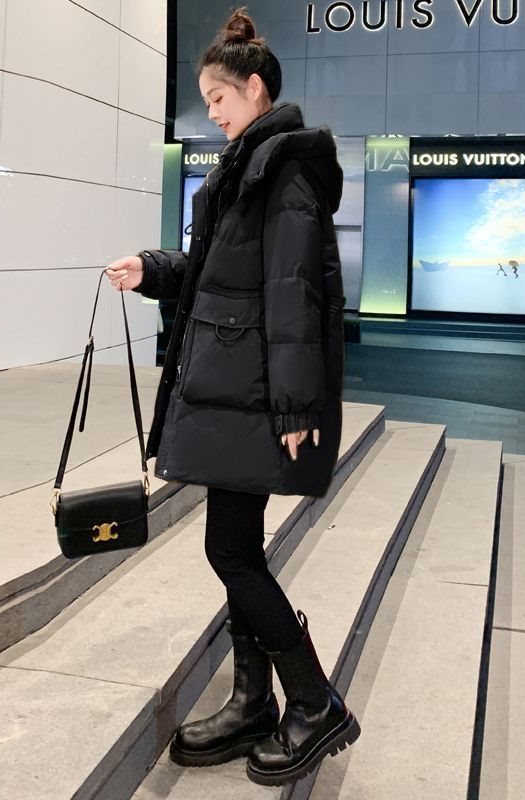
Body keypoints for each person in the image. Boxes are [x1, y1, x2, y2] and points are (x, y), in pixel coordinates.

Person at [105, 7, 360, 787]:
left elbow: (293, 294)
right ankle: (253, 701)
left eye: (218, 97)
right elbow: (214, 274)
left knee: (231, 551)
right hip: (231, 390)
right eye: (207, 100)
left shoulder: (283, 170)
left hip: (254, 394)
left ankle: (312, 701)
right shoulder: (240, 170)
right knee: (234, 547)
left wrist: (295, 407)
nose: (211, 111)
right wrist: (153, 270)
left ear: (253, 88)